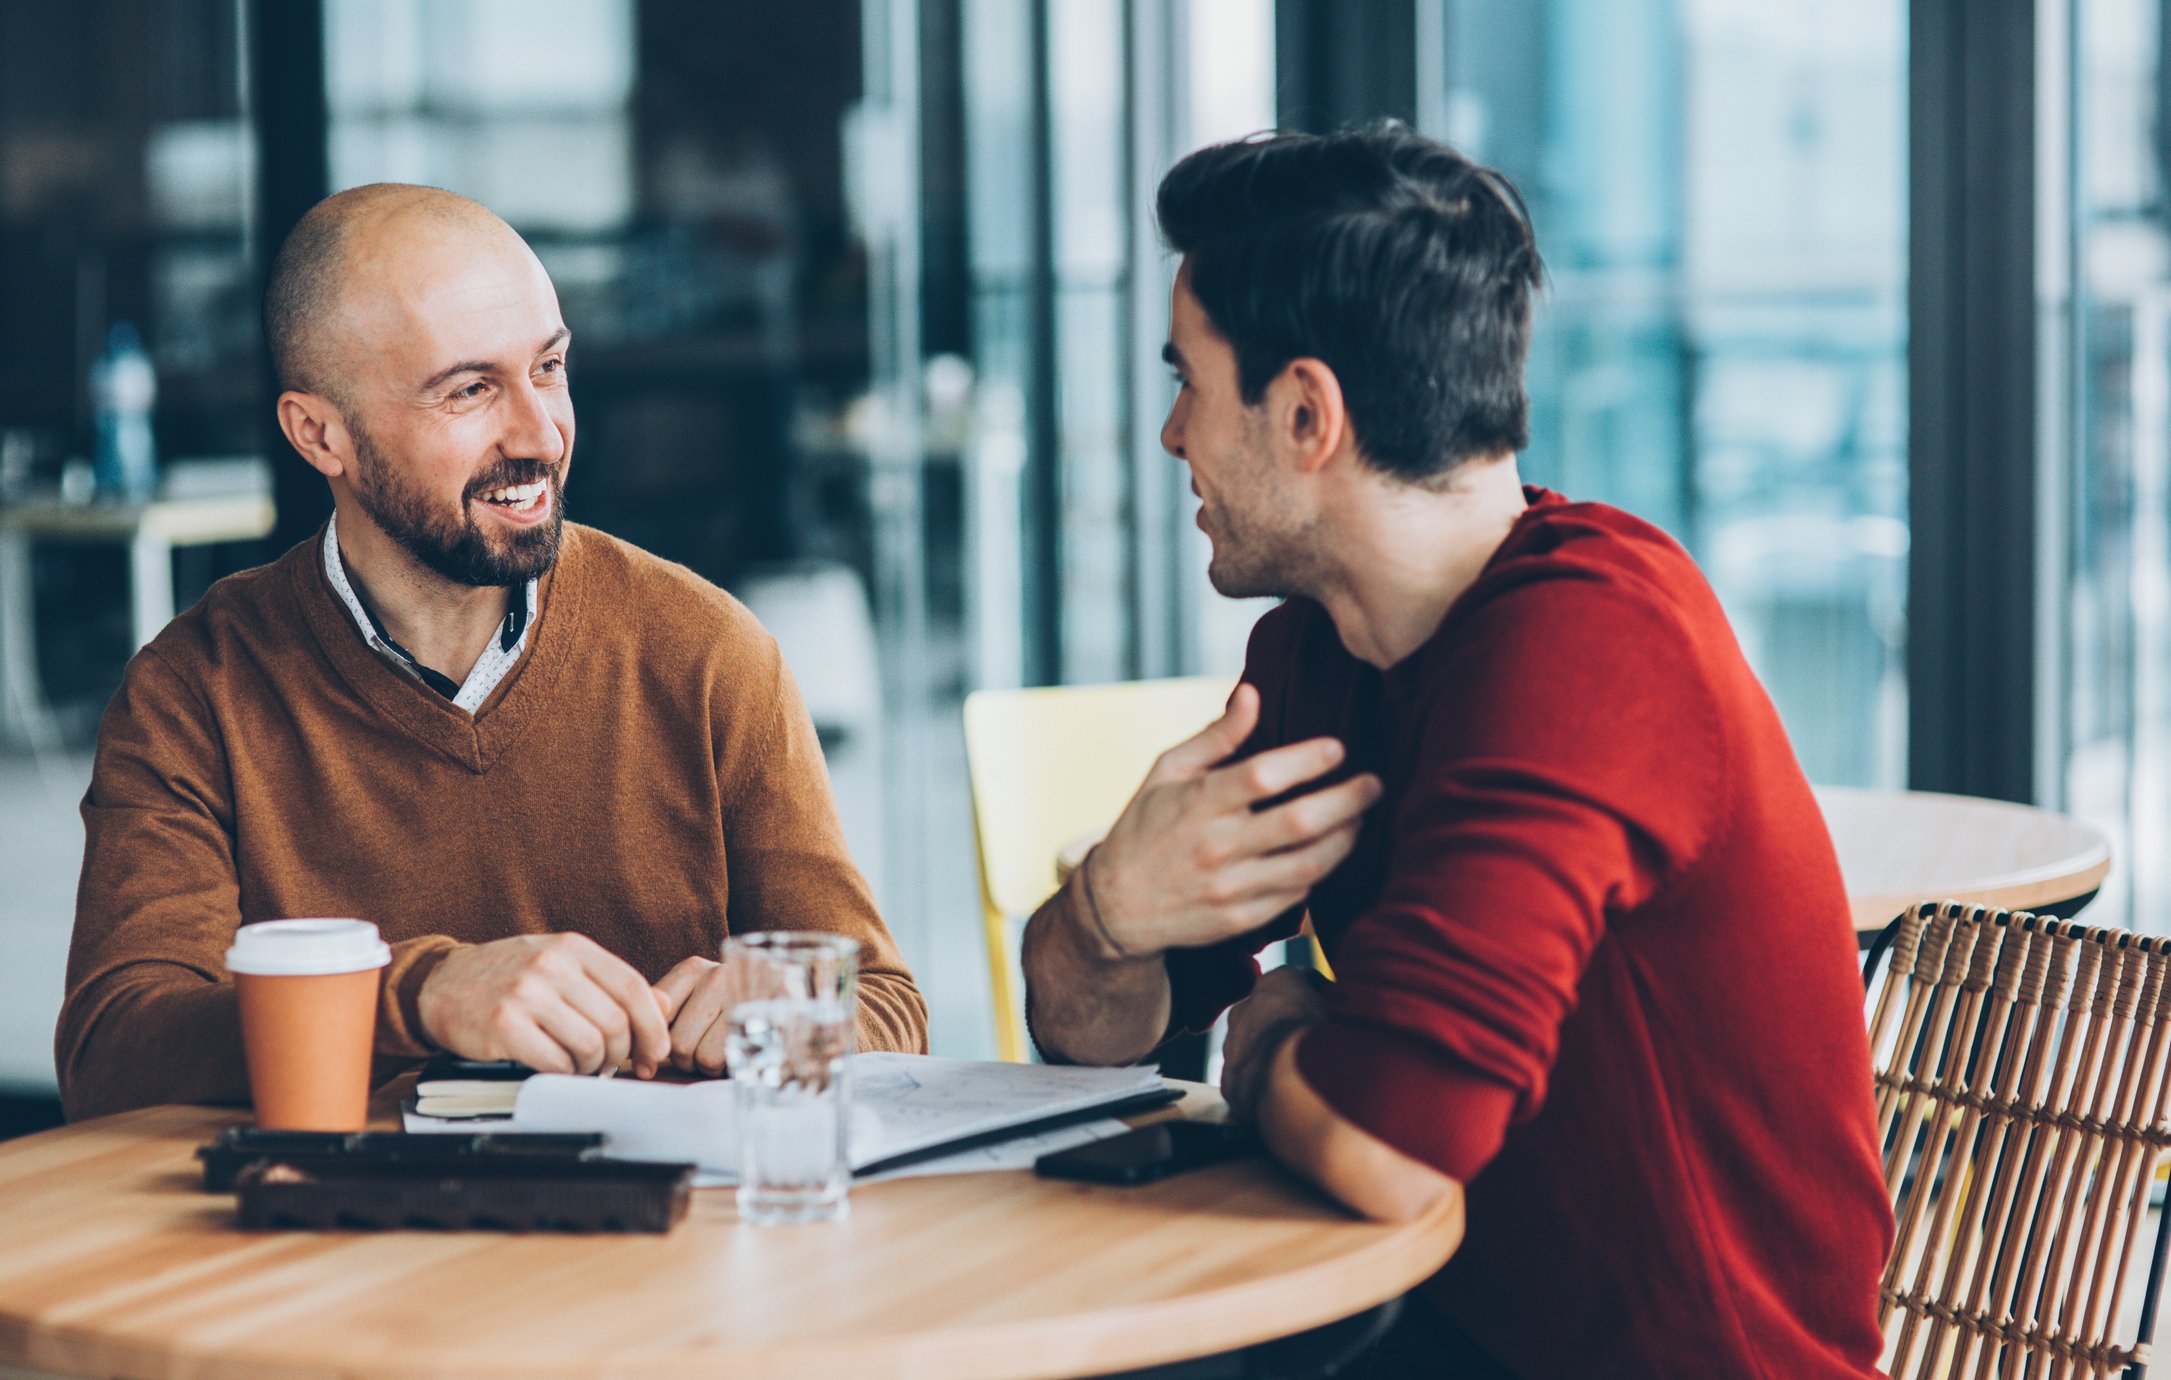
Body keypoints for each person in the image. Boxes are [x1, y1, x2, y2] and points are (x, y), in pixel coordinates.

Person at [1021, 126, 1891, 1377]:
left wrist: (1263, 1052)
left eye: (1187, 383)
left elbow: (1395, 1144)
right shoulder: (1313, 655)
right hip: (1443, 1331)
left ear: (1307, 414)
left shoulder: (1594, 643)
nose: (1169, 437)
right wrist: (1107, 914)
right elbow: (1087, 1034)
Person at [56, 185, 926, 1121]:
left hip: (656, 1247)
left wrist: (784, 1007)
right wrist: (418, 998)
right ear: (320, 435)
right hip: (341, 1253)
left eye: (548, 368)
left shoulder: (709, 654)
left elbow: (882, 1006)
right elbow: (116, 1049)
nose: (541, 434)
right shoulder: (196, 691)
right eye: (470, 390)